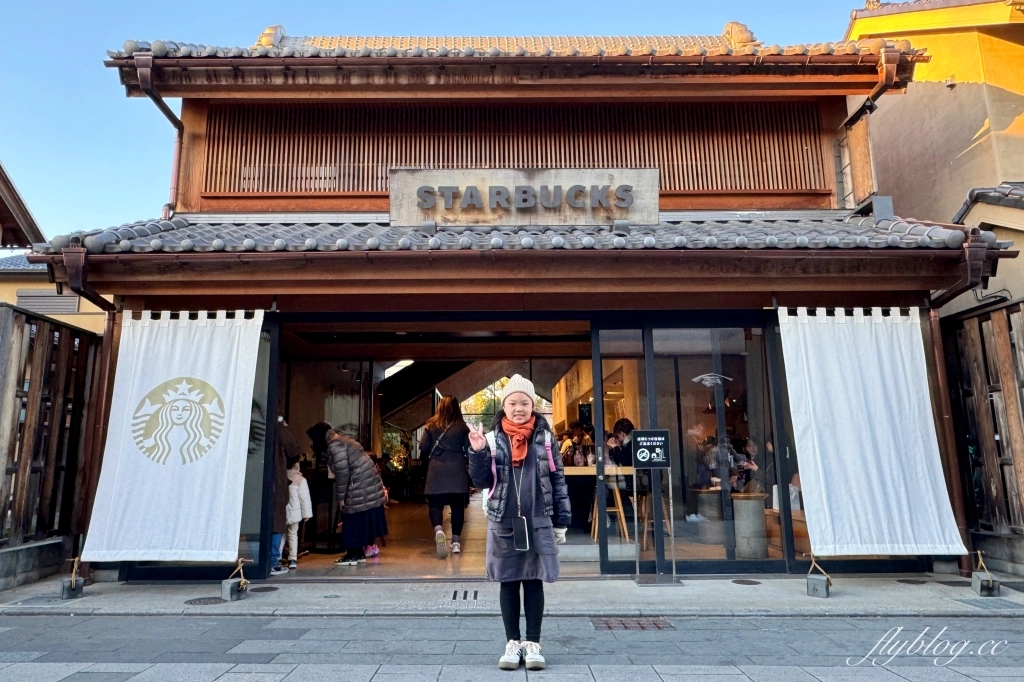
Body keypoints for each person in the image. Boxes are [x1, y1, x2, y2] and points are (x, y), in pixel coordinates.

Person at [468, 374, 571, 671]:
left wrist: (561, 521)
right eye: (512, 403)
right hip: (504, 521)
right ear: (504, 406)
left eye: (524, 403)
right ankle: (512, 643)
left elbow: (558, 481)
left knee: (534, 580)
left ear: (532, 405)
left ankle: (533, 643)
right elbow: (481, 481)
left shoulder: (546, 439)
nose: (518, 408)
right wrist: (477, 453)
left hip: (537, 519)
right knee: (509, 581)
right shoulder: (492, 440)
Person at [306, 422, 388, 566]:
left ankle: (352, 555)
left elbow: (342, 474)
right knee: (358, 521)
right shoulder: (344, 441)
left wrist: (341, 497)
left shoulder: (335, 446)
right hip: (366, 485)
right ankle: (358, 553)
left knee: (351, 520)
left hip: (358, 486)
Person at [419, 395, 472, 558]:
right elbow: (469, 449)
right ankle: (455, 543)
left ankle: (439, 531)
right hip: (457, 471)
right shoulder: (462, 427)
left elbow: (423, 447)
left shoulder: (431, 424)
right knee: (457, 507)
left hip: (436, 470)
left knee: (435, 505)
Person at [271, 420, 302, 576]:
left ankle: (255, 561)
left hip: (256, 483)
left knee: (257, 524)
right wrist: (284, 426)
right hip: (276, 484)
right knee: (277, 523)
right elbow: (294, 450)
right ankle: (272, 562)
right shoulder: (279, 429)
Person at [285, 454, 312, 569]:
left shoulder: (281, 476)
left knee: (280, 535)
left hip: (281, 512)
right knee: (293, 535)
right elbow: (304, 499)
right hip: (295, 513)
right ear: (296, 464)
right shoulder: (301, 479)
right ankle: (292, 558)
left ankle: (277, 557)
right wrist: (307, 514)